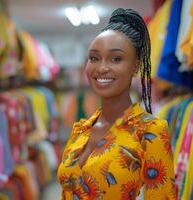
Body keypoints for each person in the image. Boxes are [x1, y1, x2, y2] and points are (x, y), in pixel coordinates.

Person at [57, 8, 176, 200]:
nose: (102, 67)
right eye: (94, 58)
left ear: (135, 66)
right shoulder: (81, 130)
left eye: (116, 58)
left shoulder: (149, 131)